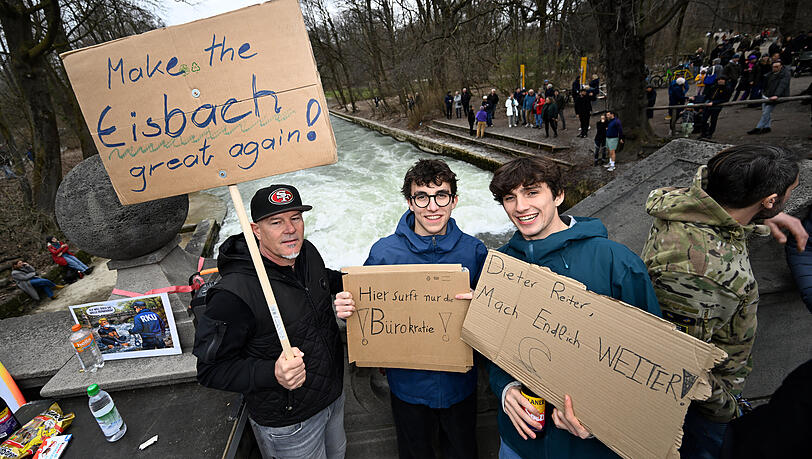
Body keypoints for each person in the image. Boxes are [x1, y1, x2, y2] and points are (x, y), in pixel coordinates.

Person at [484, 157, 661, 459]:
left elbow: (653, 363)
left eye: (531, 192)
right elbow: (490, 344)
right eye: (509, 198)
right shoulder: (499, 265)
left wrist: (604, 421)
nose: (520, 207)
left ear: (558, 195)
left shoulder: (616, 262)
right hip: (519, 443)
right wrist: (505, 388)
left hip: (588, 449)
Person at [642, 145, 805, 459]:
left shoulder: (695, 201)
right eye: (788, 194)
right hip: (701, 411)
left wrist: (758, 217)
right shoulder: (702, 274)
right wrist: (727, 407)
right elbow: (682, 363)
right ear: (770, 200)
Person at [334, 159, 487, 459]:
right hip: (408, 388)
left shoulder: (474, 251)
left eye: (441, 195)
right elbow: (367, 313)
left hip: (460, 386)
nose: (432, 206)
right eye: (422, 197)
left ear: (454, 201)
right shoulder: (384, 252)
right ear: (410, 201)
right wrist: (348, 306)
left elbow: (494, 317)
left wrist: (480, 303)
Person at [195, 184, 346, 459]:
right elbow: (210, 371)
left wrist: (364, 286)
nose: (290, 229)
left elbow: (326, 280)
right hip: (290, 422)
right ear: (256, 230)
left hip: (333, 397)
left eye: (295, 218)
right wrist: (272, 373)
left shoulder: (306, 253)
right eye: (276, 222)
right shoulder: (233, 295)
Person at [747, 59, 791, 135]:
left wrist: (777, 95)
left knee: (766, 112)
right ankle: (767, 127)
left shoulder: (785, 74)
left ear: (781, 66)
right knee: (765, 112)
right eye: (773, 67)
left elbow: (782, 85)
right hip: (766, 95)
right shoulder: (770, 74)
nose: (775, 68)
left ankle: (758, 128)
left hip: (775, 96)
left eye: (777, 66)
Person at [700, 75, 732, 140]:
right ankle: (703, 133)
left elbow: (725, 99)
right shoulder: (713, 86)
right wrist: (703, 103)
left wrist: (715, 102)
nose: (720, 81)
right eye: (719, 79)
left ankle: (710, 134)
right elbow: (707, 95)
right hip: (708, 103)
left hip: (717, 106)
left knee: (713, 120)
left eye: (722, 79)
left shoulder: (727, 89)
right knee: (704, 119)